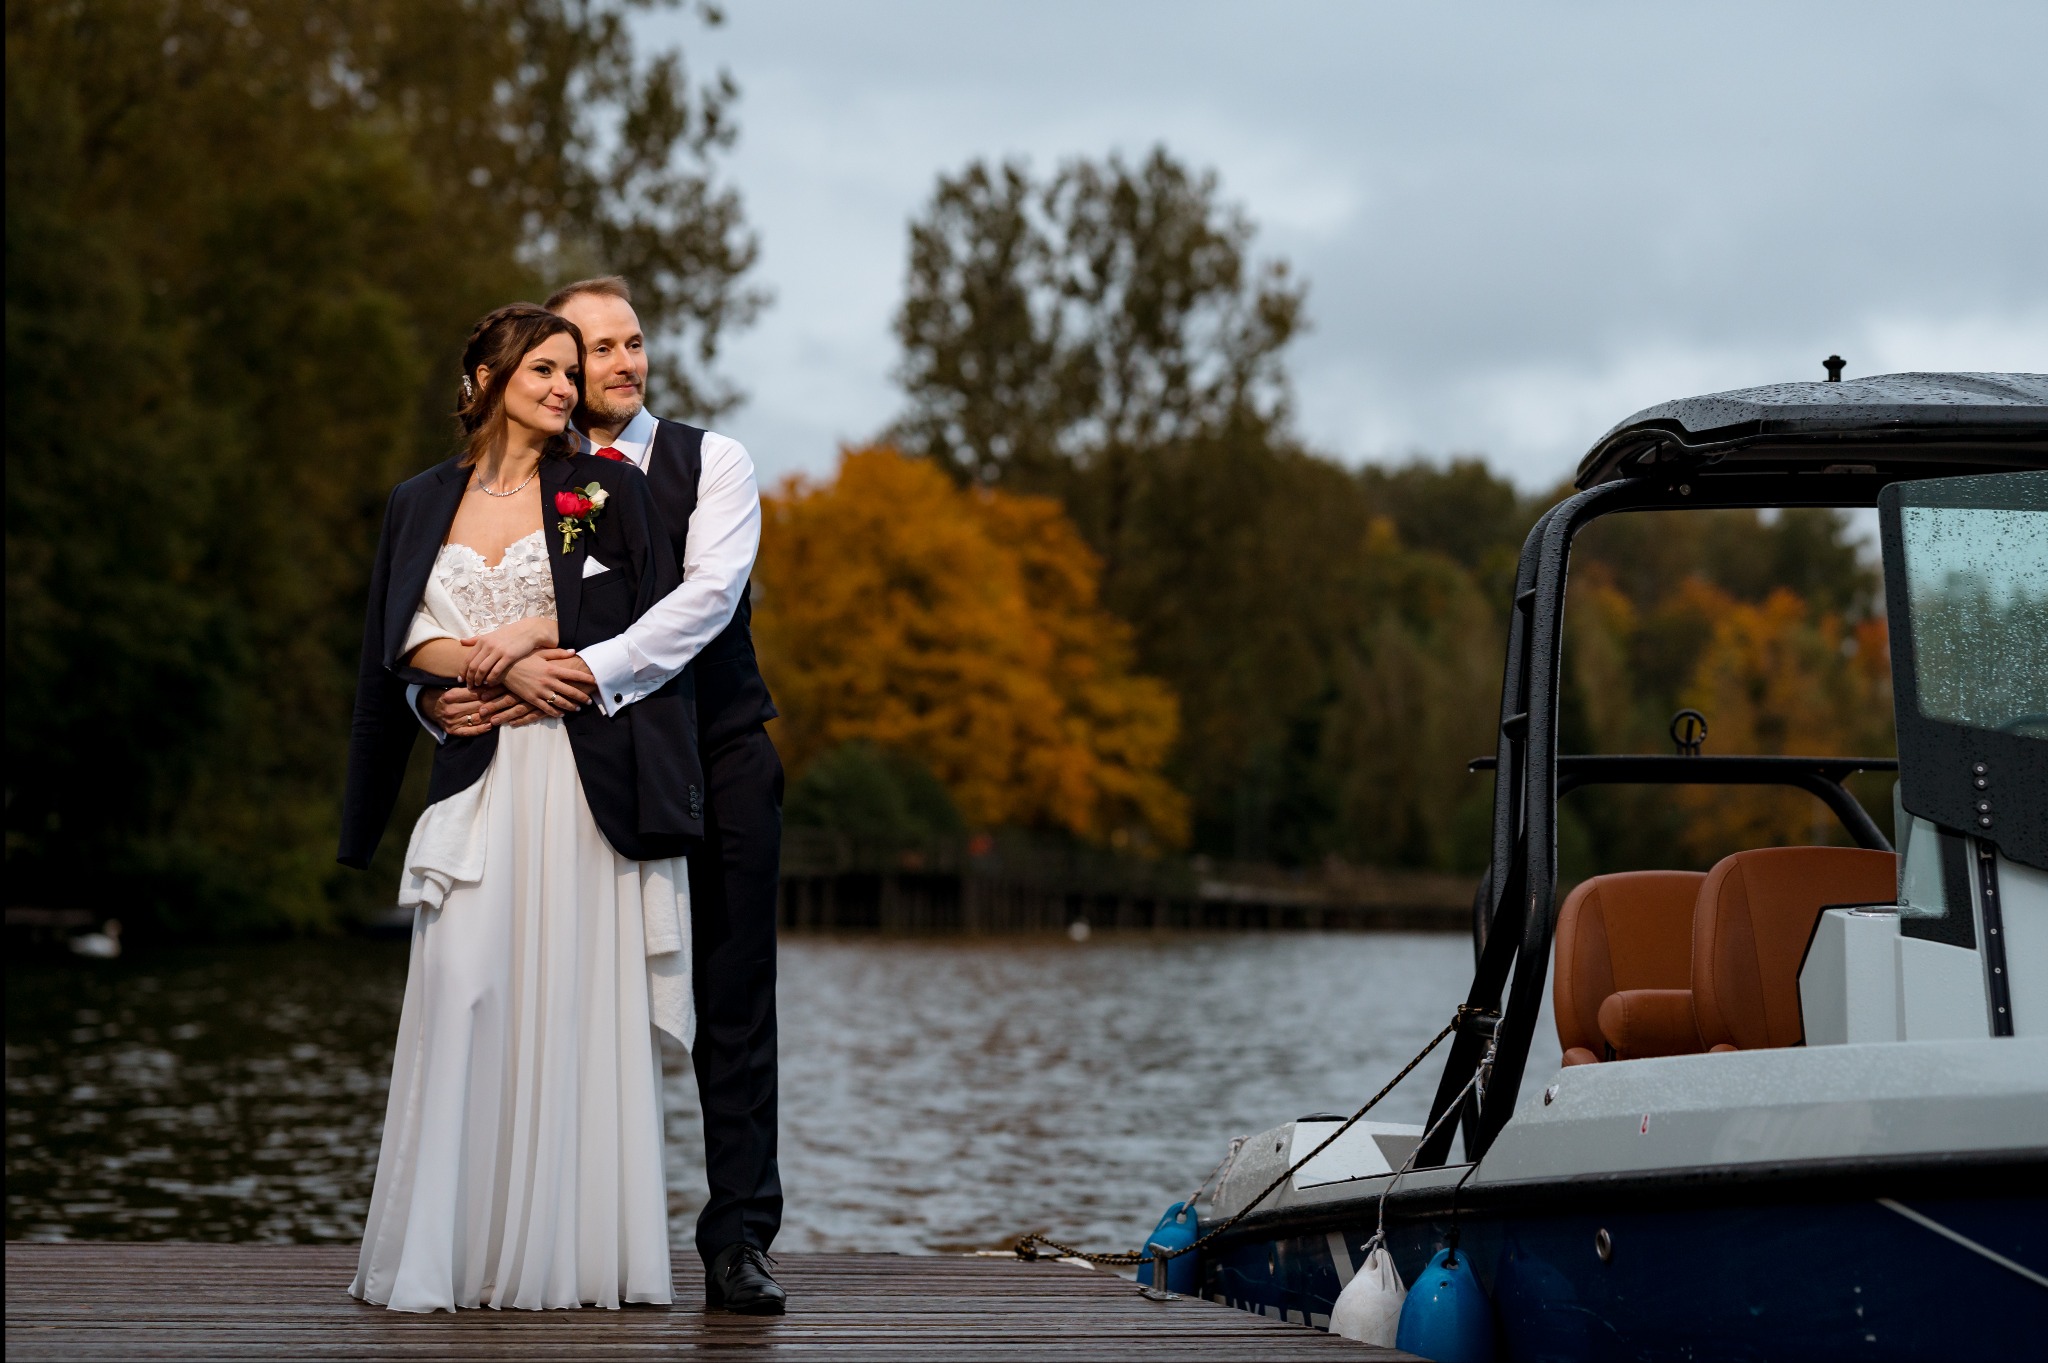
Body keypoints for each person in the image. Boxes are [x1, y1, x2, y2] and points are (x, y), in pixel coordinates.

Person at [415, 277, 787, 1315]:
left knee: (734, 999)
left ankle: (738, 1239)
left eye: (633, 343)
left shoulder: (714, 462)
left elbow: (704, 600)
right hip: (575, 766)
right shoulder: (529, 477)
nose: (621, 364)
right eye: (594, 350)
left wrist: (582, 665)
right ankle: (537, 1234)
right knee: (558, 992)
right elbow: (463, 596)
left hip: (716, 752)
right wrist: (434, 699)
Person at [337, 303, 705, 1313]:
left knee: (570, 1003)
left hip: (581, 781)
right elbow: (395, 634)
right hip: (478, 773)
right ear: (489, 380)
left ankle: (563, 1258)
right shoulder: (418, 500)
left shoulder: (604, 488)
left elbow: (644, 612)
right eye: (543, 368)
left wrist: (545, 642)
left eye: (568, 372)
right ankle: (445, 1255)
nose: (563, 386)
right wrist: (486, 665)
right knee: (463, 985)